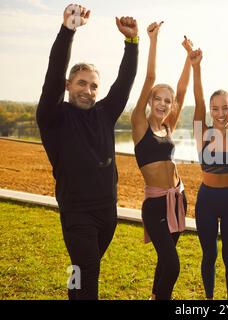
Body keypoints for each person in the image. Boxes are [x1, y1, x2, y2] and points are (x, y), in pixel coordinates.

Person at [36, 4, 138, 300]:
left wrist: (131, 42)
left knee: (81, 269)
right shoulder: (53, 116)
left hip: (108, 212)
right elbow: (53, 73)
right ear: (69, 86)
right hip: (77, 212)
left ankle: (72, 288)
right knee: (90, 276)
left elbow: (125, 82)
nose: (89, 91)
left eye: (94, 86)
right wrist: (68, 30)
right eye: (82, 83)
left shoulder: (104, 113)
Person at [131, 21, 192, 300]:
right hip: (155, 205)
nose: (164, 104)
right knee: (172, 263)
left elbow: (181, 92)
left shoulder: (168, 126)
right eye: (158, 98)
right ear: (150, 100)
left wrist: (189, 59)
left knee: (165, 263)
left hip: (178, 198)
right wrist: (153, 40)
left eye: (167, 101)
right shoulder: (139, 124)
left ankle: (157, 297)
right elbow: (149, 77)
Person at [189, 48, 228, 300]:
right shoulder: (202, 133)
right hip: (206, 201)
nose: (221, 113)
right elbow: (199, 101)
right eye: (215, 109)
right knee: (209, 256)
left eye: (225, 108)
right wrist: (196, 67)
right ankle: (210, 301)